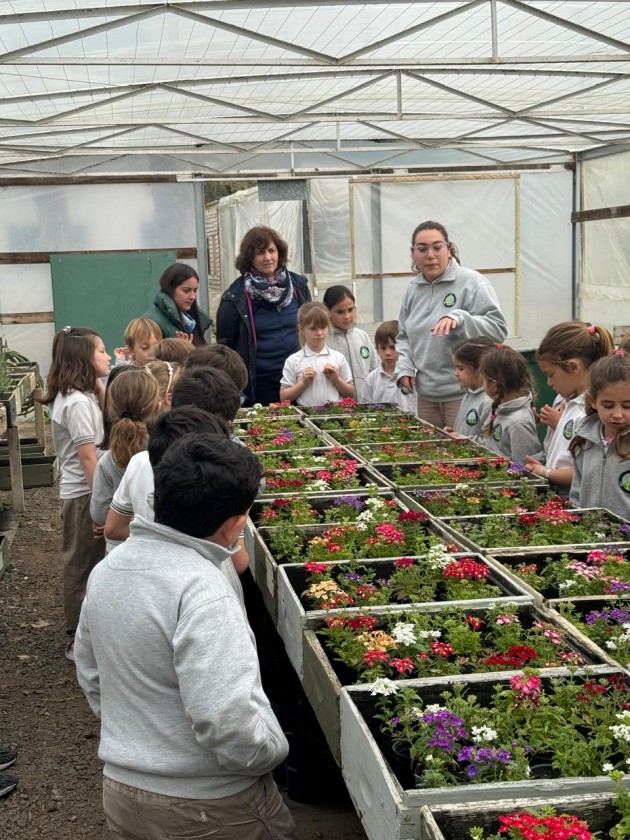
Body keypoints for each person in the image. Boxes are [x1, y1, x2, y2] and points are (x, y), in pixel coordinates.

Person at [75, 434, 295, 840]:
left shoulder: (108, 570)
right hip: (211, 805)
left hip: (124, 792)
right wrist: (272, 749)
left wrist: (134, 738)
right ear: (233, 524)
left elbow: (90, 671)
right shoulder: (203, 589)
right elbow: (226, 719)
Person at [38, 326, 110, 661]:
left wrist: (100, 388)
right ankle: (78, 641)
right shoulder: (77, 404)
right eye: (101, 351)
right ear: (84, 358)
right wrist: (101, 507)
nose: (108, 356)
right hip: (83, 495)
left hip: (84, 493)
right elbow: (88, 459)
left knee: (89, 563)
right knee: (82, 566)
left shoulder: (83, 396)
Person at [395, 220, 508, 427]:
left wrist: (461, 319)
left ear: (449, 249)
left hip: (465, 393)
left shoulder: (472, 282)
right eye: (422, 249)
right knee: (432, 454)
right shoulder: (412, 290)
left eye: (437, 247)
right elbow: (403, 337)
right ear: (413, 254)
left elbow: (497, 330)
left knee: (463, 453)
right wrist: (404, 368)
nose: (430, 255)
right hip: (426, 394)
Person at [216, 225, 311, 406]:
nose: (268, 257)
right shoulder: (235, 297)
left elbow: (311, 326)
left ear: (279, 253)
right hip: (259, 385)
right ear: (249, 257)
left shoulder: (298, 287)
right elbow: (225, 347)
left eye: (271, 251)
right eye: (260, 252)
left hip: (298, 380)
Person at [525, 321, 614, 494]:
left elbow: (586, 473)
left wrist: (546, 472)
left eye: (551, 375)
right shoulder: (567, 402)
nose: (549, 382)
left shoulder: (591, 413)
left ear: (573, 367)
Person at [90, 367, 161, 553]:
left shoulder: (107, 460)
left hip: (121, 552)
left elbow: (99, 514)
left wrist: (121, 524)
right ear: (157, 407)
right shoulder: (167, 452)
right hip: (161, 549)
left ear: (111, 409)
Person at [570, 351, 630, 519]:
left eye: (627, 406)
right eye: (608, 405)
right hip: (590, 534)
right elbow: (577, 489)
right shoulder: (584, 439)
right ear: (592, 401)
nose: (617, 414)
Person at [280, 302, 354, 406]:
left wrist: (336, 379)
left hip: (335, 415)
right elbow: (284, 397)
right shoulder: (293, 360)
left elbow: (351, 394)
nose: (319, 333)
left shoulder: (338, 357)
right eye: (313, 328)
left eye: (323, 327)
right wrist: (303, 382)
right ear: (301, 329)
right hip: (306, 416)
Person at [478, 344, 540, 464]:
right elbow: (489, 445)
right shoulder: (500, 408)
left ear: (494, 384)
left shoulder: (519, 422)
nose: (482, 385)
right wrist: (463, 439)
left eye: (484, 380)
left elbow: (524, 467)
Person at [323, 285, 378, 402]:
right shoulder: (323, 341)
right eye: (340, 312)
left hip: (366, 406)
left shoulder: (362, 336)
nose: (347, 316)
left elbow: (376, 370)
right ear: (327, 312)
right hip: (337, 410)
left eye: (350, 310)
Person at [143, 262, 211, 345]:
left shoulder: (193, 320)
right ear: (170, 289)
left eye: (195, 290)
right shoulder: (151, 322)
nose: (192, 296)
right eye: (186, 290)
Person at [362, 319, 417, 414]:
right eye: (383, 348)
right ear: (377, 349)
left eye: (393, 347)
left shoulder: (413, 375)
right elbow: (366, 407)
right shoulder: (371, 378)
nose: (387, 353)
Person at [446, 336, 495, 437]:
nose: (455, 373)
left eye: (460, 368)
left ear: (480, 369)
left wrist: (463, 439)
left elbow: (490, 444)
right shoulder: (469, 393)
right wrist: (453, 434)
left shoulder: (489, 402)